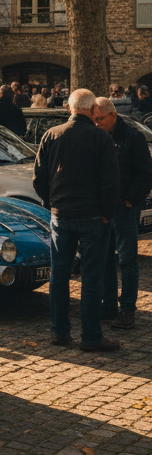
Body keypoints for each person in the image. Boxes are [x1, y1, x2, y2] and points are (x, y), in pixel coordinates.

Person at [34, 89, 121, 351]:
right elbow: (111, 181)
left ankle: (60, 332)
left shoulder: (52, 134)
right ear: (93, 109)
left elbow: (39, 178)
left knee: (59, 275)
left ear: (69, 108)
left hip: (62, 214)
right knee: (91, 277)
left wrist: (52, 203)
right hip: (93, 215)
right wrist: (107, 213)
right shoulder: (100, 137)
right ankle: (91, 336)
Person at [93, 97, 152, 330]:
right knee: (106, 259)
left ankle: (127, 308)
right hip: (105, 209)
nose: (97, 123)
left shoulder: (133, 138)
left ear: (112, 115)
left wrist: (130, 199)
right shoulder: (99, 138)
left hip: (125, 208)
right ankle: (108, 304)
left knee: (127, 260)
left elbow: (145, 173)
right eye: (94, 119)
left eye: (100, 119)